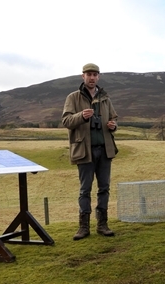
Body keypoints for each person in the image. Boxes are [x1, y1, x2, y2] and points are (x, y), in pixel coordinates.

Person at [62, 63, 119, 240]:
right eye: (89, 74)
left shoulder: (105, 98)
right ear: (83, 76)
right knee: (84, 189)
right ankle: (83, 227)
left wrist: (113, 126)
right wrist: (81, 116)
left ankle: (102, 225)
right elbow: (66, 121)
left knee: (104, 188)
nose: (92, 77)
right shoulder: (73, 97)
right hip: (84, 151)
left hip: (104, 150)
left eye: (95, 74)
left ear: (98, 77)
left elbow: (114, 119)